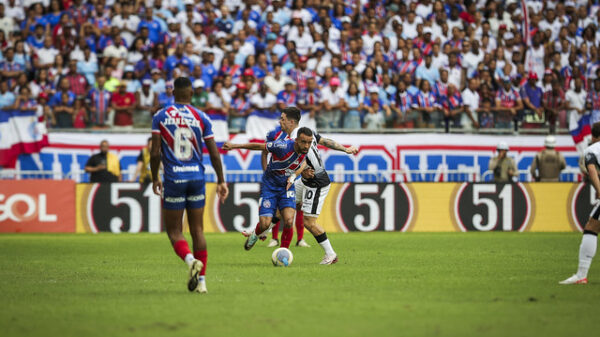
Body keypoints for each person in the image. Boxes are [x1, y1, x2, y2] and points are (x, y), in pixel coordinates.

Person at [150, 77, 229, 294]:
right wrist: (221, 180)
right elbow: (214, 153)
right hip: (197, 177)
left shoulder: (161, 116)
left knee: (175, 231)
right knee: (198, 230)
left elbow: (155, 152)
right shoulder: (201, 117)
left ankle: (190, 260)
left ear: (173, 93)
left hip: (174, 178)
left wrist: (154, 176)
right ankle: (202, 282)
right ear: (191, 93)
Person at [222, 124, 313, 252]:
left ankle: (283, 252)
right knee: (265, 224)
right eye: (303, 142)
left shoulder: (308, 150)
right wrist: (234, 146)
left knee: (288, 220)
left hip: (286, 187)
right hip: (270, 186)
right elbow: (259, 147)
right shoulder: (283, 146)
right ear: (296, 140)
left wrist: (302, 172)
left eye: (309, 142)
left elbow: (304, 162)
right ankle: (255, 235)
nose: (307, 146)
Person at [560, 122, 600, 285]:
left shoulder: (591, 150)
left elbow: (591, 170)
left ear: (592, 136)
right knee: (593, 225)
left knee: (591, 227)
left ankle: (581, 275)